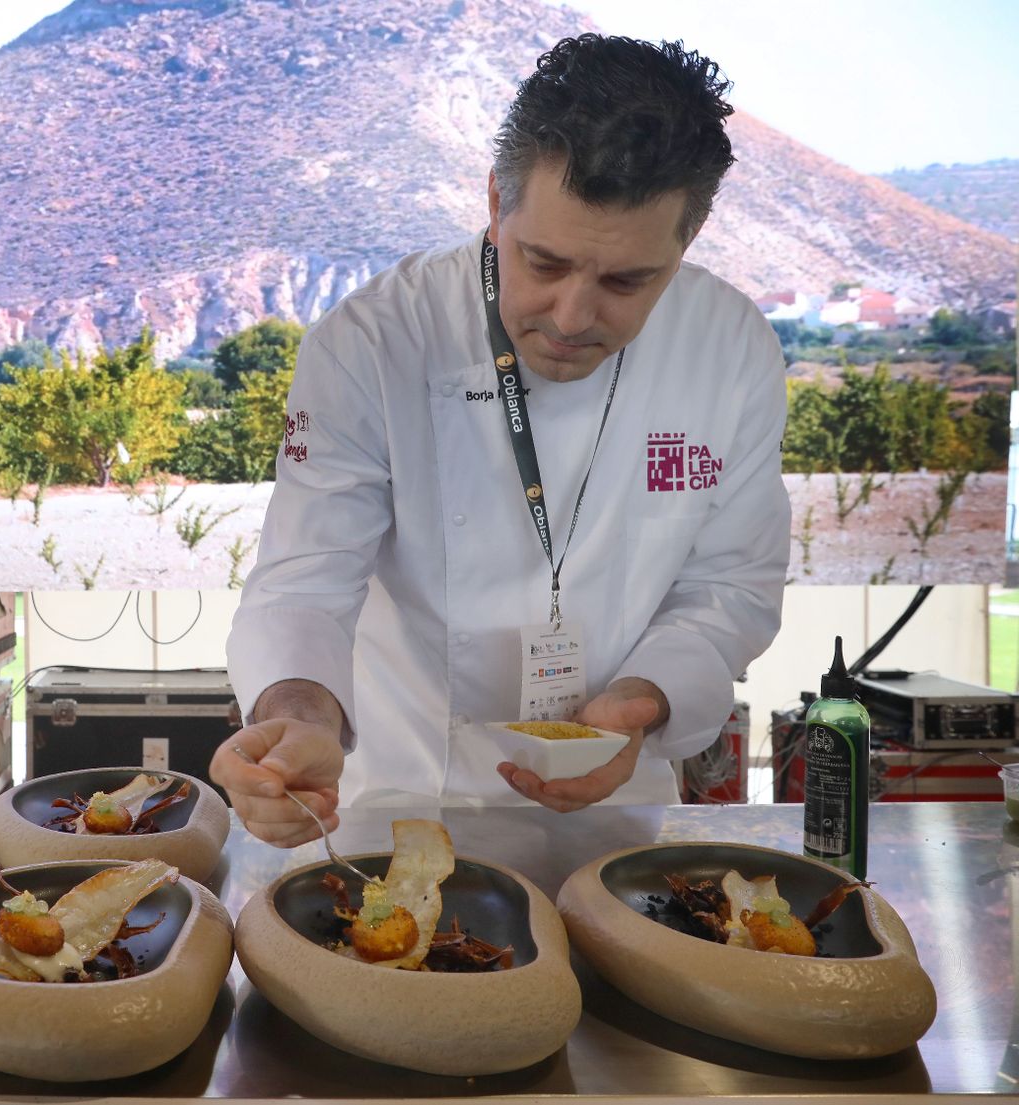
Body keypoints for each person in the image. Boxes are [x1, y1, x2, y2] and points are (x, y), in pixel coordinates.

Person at [213, 34, 791, 848]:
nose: (571, 316)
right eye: (543, 261)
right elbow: (304, 584)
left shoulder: (730, 347)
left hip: (612, 814)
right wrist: (296, 717)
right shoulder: (375, 340)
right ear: (495, 201)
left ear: (686, 242)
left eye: (627, 280)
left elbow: (732, 586)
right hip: (388, 802)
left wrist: (643, 699)